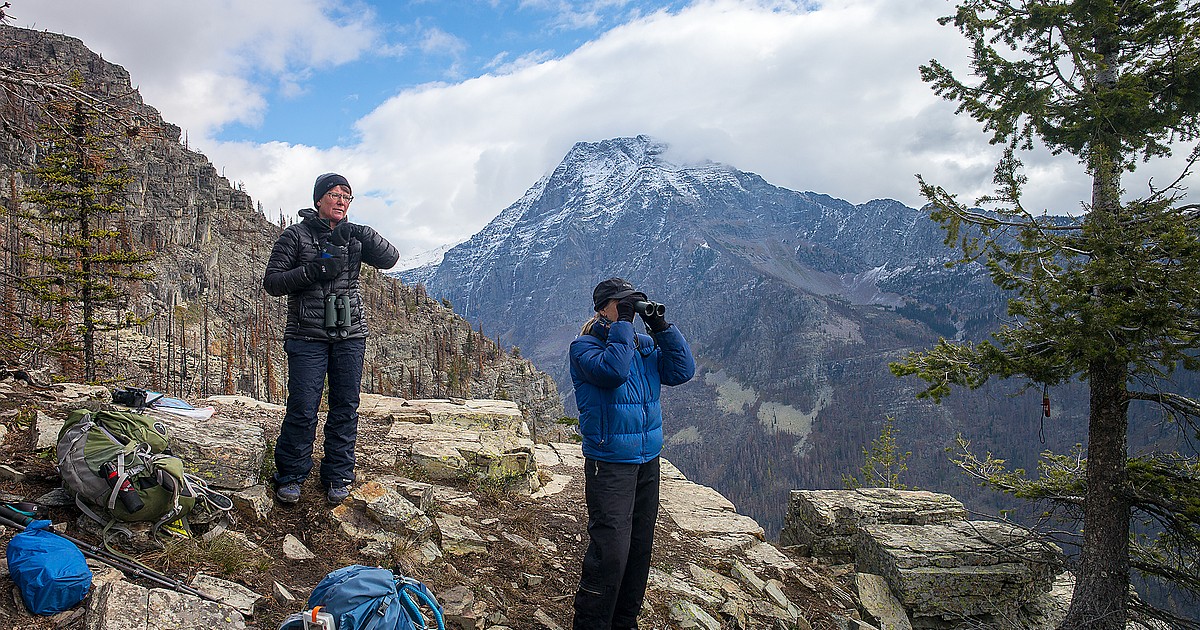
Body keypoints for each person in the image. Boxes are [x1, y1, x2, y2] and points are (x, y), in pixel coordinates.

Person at [262, 173, 399, 505]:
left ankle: (338, 474)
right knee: (303, 407)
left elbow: (390, 258)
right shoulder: (295, 236)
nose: (341, 200)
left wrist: (365, 233)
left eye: (347, 196)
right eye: (334, 194)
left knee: (345, 407)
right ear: (318, 200)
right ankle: (292, 475)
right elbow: (273, 282)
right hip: (307, 336)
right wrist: (314, 271)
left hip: (349, 334)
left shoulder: (354, 238)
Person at [570, 277, 696, 629]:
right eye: (622, 304)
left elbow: (682, 370)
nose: (630, 310)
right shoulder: (584, 347)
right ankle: (592, 624)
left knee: (639, 549)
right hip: (609, 464)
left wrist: (661, 326)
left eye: (634, 304)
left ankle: (625, 622)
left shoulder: (640, 343)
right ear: (602, 308)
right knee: (610, 553)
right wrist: (624, 325)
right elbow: (613, 372)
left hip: (646, 461)